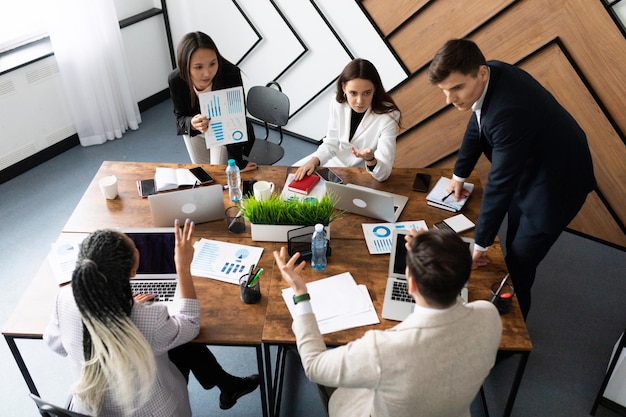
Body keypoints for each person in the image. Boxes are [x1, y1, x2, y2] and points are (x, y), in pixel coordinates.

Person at [427, 39, 596, 319]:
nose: (450, 99)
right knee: (510, 244)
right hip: (529, 167)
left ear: (480, 73)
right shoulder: (490, 74)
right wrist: (459, 174)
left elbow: (500, 184)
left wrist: (479, 245)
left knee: (518, 267)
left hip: (554, 189)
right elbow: (477, 122)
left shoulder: (508, 112)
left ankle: (513, 333)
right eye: (445, 91)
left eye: (457, 88)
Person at [273, 228, 502, 417]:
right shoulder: (489, 315)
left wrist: (300, 292)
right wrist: (429, 257)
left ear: (410, 285)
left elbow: (314, 366)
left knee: (329, 377)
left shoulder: (382, 349)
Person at [44, 219, 259, 416]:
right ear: (132, 271)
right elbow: (191, 324)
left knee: (173, 337)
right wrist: (182, 267)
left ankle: (226, 384)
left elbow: (56, 345)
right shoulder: (148, 318)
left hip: (91, 410)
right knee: (181, 339)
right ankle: (226, 383)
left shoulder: (64, 298)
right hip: (156, 411)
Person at [294, 58, 401, 182]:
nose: (360, 101)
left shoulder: (389, 116)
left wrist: (370, 159)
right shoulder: (337, 102)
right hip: (332, 163)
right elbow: (331, 143)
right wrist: (314, 161)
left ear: (375, 88)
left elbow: (383, 174)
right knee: (291, 179)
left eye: (367, 93)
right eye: (353, 93)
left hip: (364, 173)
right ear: (344, 87)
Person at [169, 31, 257, 172]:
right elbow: (180, 118)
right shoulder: (176, 80)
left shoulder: (230, 73)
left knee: (217, 173)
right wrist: (191, 123)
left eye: (212, 64)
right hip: (196, 130)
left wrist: (237, 164)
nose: (207, 73)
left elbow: (236, 118)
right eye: (199, 67)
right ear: (185, 65)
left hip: (224, 131)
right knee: (203, 172)